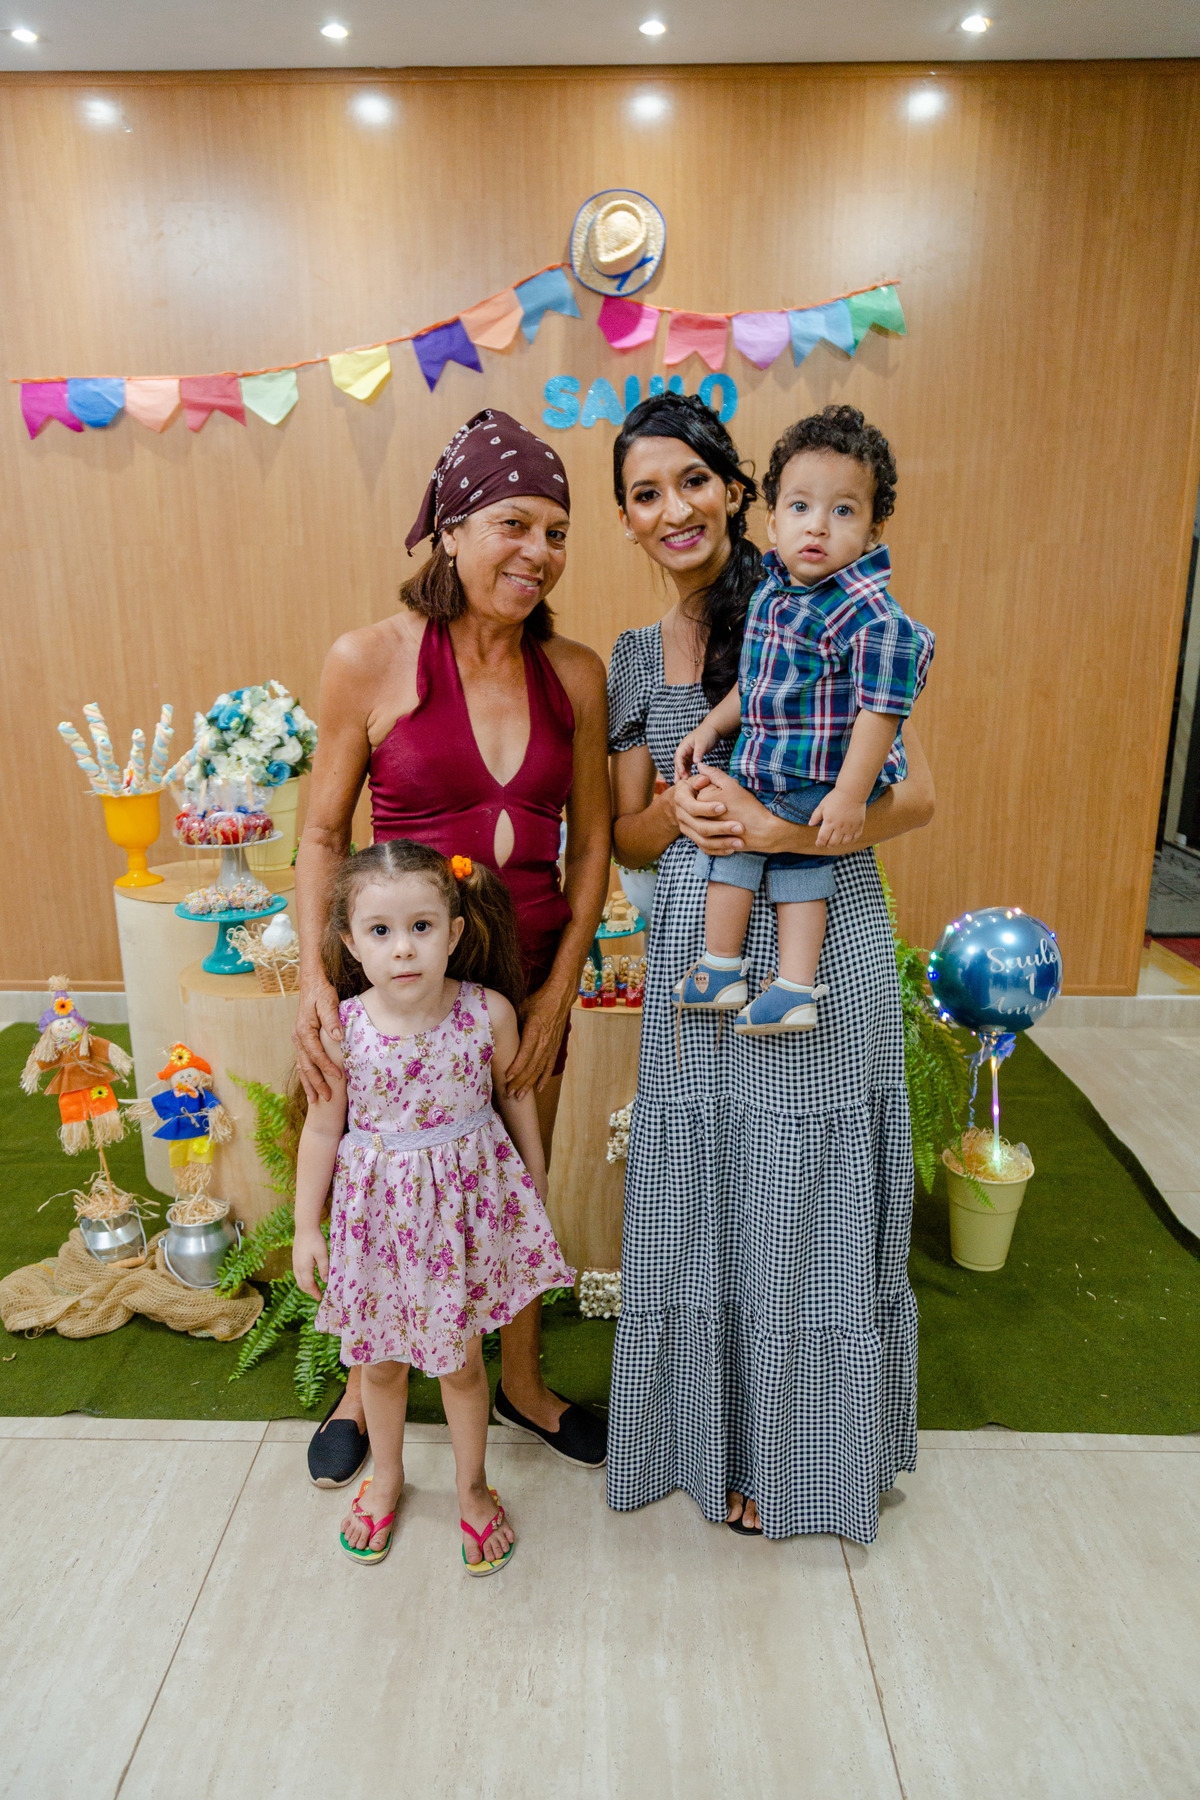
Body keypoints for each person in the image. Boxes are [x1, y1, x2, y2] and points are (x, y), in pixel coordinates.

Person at [607, 391, 935, 1540]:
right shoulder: (635, 657)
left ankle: (798, 1461)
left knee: (800, 1196)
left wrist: (779, 827)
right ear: (626, 518)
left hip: (814, 930)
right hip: (702, 952)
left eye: (693, 481)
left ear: (738, 490)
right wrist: (691, 810)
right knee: (709, 1194)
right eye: (646, 494)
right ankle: (709, 1445)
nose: (674, 509)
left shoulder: (815, 600)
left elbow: (917, 796)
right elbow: (627, 835)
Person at [293, 409, 610, 1487]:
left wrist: (559, 994)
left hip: (523, 980)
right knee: (373, 1180)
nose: (539, 551)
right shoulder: (367, 660)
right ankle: (362, 1381)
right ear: (453, 529)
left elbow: (593, 844)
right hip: (389, 978)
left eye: (557, 532)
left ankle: (519, 1379)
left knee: (513, 1183)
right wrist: (312, 979)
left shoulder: (574, 671)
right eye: (514, 523)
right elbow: (323, 835)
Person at [293, 839, 575, 1570]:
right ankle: (387, 1478)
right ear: (350, 944)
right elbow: (322, 1130)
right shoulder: (344, 1029)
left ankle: (472, 1488)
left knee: (461, 1364)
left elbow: (516, 1102)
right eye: (380, 931)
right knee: (382, 1365)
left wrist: (534, 1187)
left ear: (453, 932)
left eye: (421, 927)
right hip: (377, 1225)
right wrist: (304, 1228)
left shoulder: (488, 1013)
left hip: (461, 1224)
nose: (403, 948)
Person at [673, 405, 934, 1036]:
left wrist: (848, 795)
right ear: (772, 520)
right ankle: (735, 971)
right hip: (768, 765)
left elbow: (882, 712)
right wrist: (712, 726)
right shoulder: (776, 590)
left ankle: (780, 983)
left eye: (842, 510)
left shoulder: (870, 613)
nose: (817, 525)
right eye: (799, 507)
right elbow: (760, 682)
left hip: (818, 777)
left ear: (872, 530)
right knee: (744, 853)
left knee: (788, 865)